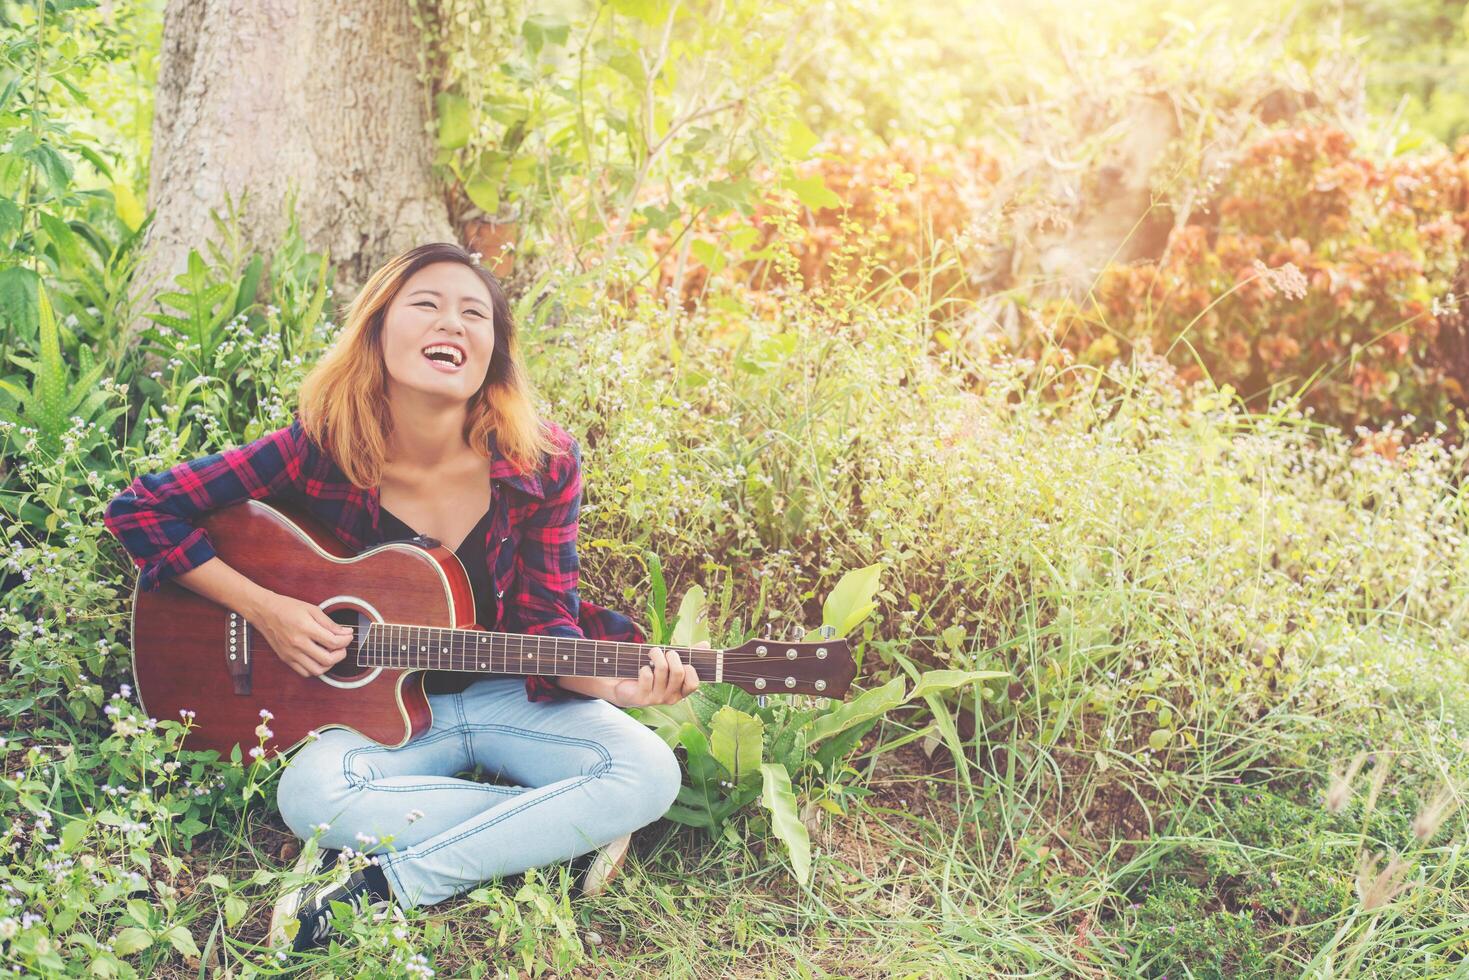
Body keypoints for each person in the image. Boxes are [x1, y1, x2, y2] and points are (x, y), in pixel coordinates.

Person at [102, 242, 699, 953]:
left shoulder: (542, 463)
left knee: (650, 772)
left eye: (474, 314)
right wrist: (266, 607)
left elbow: (548, 622)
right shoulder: (319, 448)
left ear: (493, 357)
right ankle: (555, 830)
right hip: (373, 716)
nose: (452, 322)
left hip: (506, 697)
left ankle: (389, 886)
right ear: (378, 330)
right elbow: (139, 510)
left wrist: (615, 684)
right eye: (427, 304)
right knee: (310, 798)